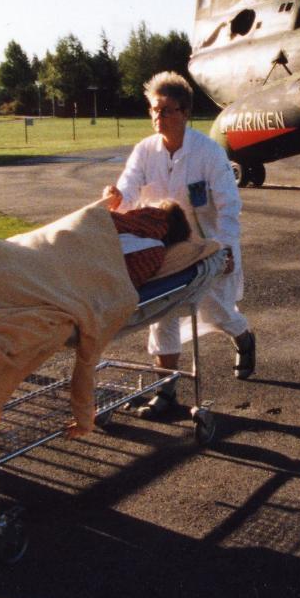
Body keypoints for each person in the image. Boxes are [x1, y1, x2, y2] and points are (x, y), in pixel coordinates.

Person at [102, 71, 255, 420]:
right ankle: (166, 393)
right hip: (164, 246)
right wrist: (116, 197)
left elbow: (229, 205)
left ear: (184, 112)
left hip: (206, 244)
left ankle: (244, 337)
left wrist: (226, 247)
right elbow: (128, 187)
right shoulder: (145, 151)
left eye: (167, 110)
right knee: (163, 310)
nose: (158, 117)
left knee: (216, 312)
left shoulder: (209, 153)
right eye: (154, 110)